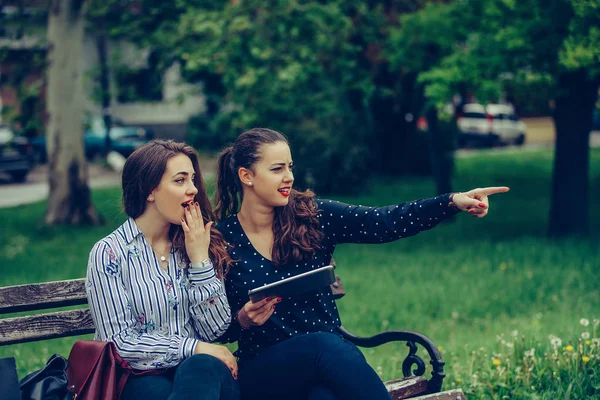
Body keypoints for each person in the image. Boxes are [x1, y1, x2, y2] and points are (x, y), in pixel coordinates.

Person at [214, 128, 509, 400]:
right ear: (247, 176)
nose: (289, 176)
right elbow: (211, 329)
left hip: (326, 366)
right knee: (323, 345)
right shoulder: (221, 240)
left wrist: (452, 201)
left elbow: (385, 221)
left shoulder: (311, 216)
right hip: (266, 371)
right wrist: (242, 319)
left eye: (290, 167)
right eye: (277, 169)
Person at [86, 140, 240, 400]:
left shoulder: (194, 242)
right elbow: (120, 344)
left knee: (200, 367)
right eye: (180, 181)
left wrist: (200, 260)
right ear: (149, 191)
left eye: (192, 179)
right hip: (139, 377)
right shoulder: (110, 253)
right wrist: (194, 347)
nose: (193, 189)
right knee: (159, 389)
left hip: (202, 373)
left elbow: (216, 330)